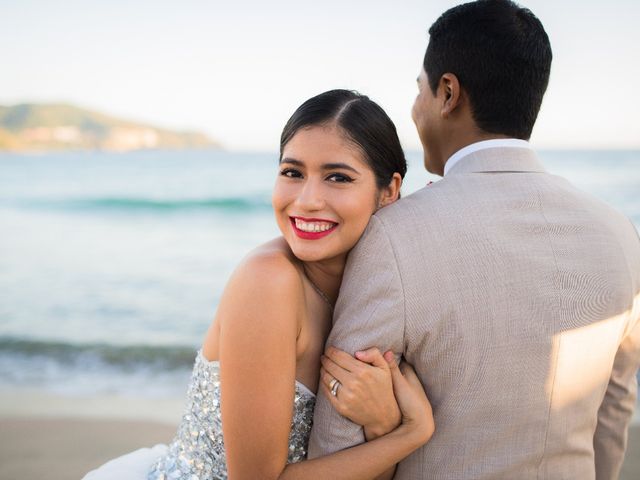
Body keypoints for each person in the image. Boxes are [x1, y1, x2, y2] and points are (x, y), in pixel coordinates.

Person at [309, 1, 640, 479]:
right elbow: (612, 413)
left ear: (447, 93)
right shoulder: (620, 233)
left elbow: (340, 425)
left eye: (418, 90)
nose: (415, 108)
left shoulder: (395, 233)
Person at [82, 89, 435, 480]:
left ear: (388, 191)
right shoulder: (269, 281)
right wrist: (409, 433)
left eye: (337, 177)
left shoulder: (380, 291)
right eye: (292, 173)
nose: (307, 201)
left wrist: (381, 421)